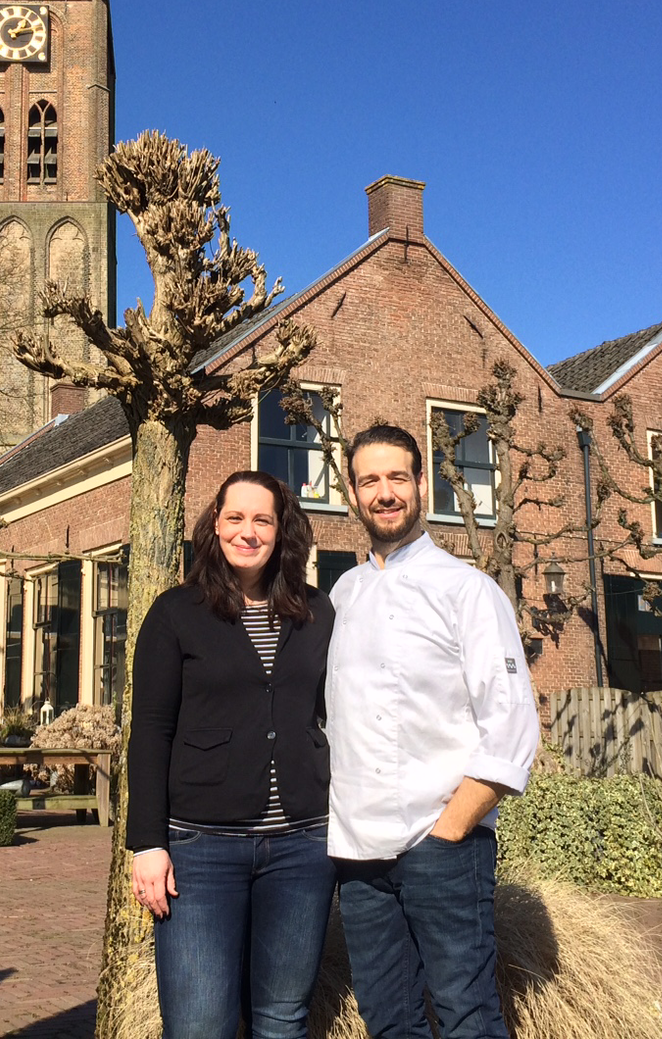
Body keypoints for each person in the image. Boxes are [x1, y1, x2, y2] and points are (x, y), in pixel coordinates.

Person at [325, 424, 540, 1039]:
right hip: (360, 854)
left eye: (398, 477)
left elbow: (512, 725)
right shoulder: (342, 594)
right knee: (388, 1020)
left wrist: (449, 832)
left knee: (467, 1016)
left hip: (440, 845)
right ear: (352, 492)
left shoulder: (468, 590)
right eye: (369, 480)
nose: (384, 493)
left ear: (422, 484)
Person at [127, 469, 337, 1039]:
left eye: (262, 519)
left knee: (283, 1020)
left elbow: (340, 712)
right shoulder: (176, 612)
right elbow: (150, 730)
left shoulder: (317, 612)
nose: (248, 531)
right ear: (215, 525)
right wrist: (148, 843)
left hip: (301, 847)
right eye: (235, 517)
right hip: (201, 849)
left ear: (281, 530)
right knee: (199, 1024)